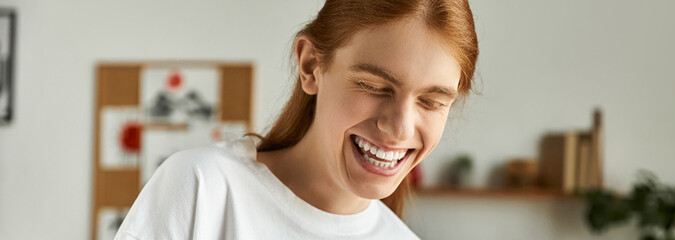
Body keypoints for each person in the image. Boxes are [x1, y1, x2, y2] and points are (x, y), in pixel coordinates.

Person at [115, 0, 478, 239]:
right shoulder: (203, 188)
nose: (399, 127)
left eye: (431, 101)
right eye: (374, 86)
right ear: (310, 66)